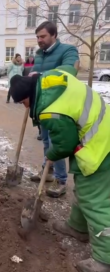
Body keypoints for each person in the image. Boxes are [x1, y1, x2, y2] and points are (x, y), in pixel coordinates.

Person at [10, 66, 110, 272]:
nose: (24, 106)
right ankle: (78, 227)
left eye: (23, 102)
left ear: (29, 95)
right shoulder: (51, 78)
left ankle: (104, 259)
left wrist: (52, 154)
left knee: (94, 199)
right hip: (103, 129)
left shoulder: (50, 111)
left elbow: (65, 144)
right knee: (84, 188)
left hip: (101, 145)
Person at [29, 21, 79, 198]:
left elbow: (70, 70)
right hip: (43, 105)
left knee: (55, 143)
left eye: (42, 36)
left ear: (54, 35)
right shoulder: (39, 54)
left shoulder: (68, 51)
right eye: (37, 37)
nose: (39, 40)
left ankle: (61, 180)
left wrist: (43, 76)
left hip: (61, 105)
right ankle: (48, 172)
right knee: (45, 141)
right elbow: (34, 75)